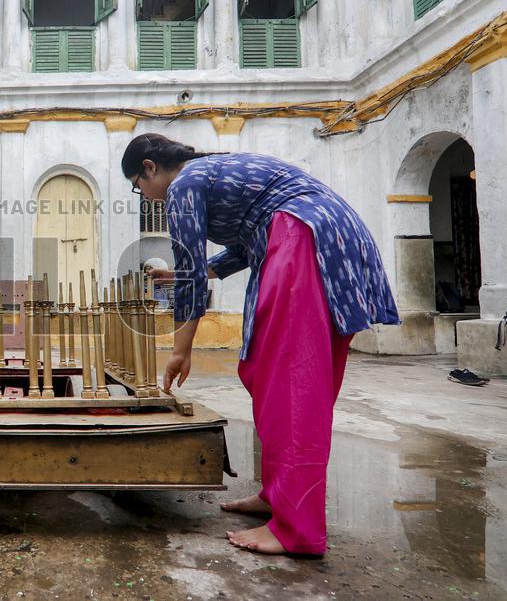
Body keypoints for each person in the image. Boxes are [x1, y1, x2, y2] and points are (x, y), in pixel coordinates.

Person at [123, 134, 399, 556]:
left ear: (149, 168)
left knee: (293, 383)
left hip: (303, 236)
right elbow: (240, 246)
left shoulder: (184, 184)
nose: (144, 196)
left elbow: (192, 274)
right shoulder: (209, 174)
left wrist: (180, 350)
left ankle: (297, 529)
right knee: (267, 373)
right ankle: (278, 496)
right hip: (317, 235)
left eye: (138, 187)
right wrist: (182, 275)